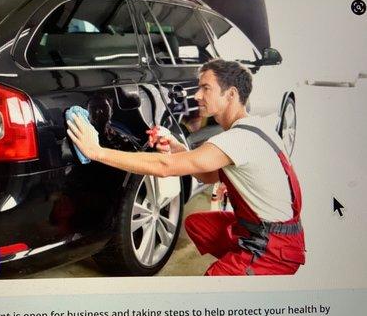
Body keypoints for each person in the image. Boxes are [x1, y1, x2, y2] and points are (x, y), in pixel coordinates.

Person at [67, 59, 305, 276]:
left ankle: (248, 271)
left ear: (231, 94)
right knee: (196, 225)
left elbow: (164, 166)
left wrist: (95, 151)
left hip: (271, 246)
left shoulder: (236, 140)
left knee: (211, 289)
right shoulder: (256, 128)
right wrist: (178, 146)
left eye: (206, 88)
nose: (197, 95)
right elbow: (210, 175)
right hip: (283, 234)